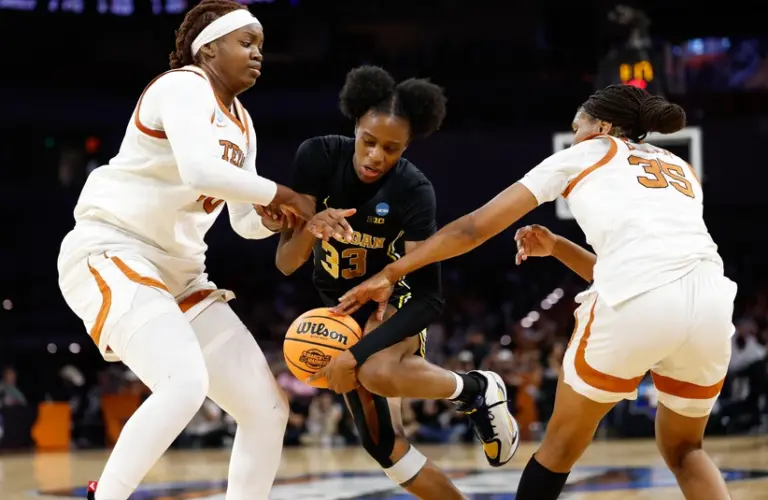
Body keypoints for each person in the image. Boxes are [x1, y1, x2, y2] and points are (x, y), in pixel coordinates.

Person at [336, 84, 736, 500]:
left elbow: (474, 228)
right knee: (686, 448)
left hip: (639, 305)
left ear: (601, 126)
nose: (574, 135)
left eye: (577, 126)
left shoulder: (585, 153)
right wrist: (559, 247)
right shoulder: (680, 168)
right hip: (711, 304)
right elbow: (643, 272)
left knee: (560, 448)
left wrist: (392, 271)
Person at [56, 2, 318, 499]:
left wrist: (271, 218)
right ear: (209, 48)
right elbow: (200, 171)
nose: (258, 54)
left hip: (180, 276)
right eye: (246, 43)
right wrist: (280, 194)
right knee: (182, 385)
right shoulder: (181, 86)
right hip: (114, 248)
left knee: (267, 408)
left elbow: (242, 222)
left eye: (261, 45)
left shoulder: (243, 124)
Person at [261, 65, 519, 500]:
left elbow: (429, 297)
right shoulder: (318, 156)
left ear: (408, 146)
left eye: (392, 148)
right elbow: (287, 264)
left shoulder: (414, 190)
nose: (376, 156)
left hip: (395, 301)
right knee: (384, 445)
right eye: (369, 141)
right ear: (355, 123)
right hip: (340, 309)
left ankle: (476, 388)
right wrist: (309, 225)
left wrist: (354, 355)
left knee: (376, 370)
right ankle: (471, 397)